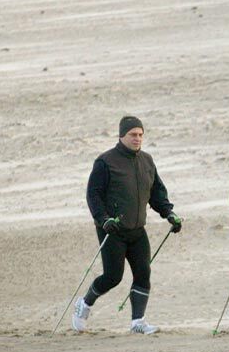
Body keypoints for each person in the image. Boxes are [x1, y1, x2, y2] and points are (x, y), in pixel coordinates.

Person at [72, 116, 182, 334]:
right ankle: (84, 304)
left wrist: (169, 213)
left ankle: (137, 322)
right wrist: (103, 220)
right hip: (112, 229)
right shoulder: (105, 162)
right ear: (121, 135)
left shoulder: (147, 161)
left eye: (140, 135)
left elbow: (157, 192)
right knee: (113, 277)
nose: (137, 139)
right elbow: (93, 195)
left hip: (137, 230)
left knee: (143, 273)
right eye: (133, 134)